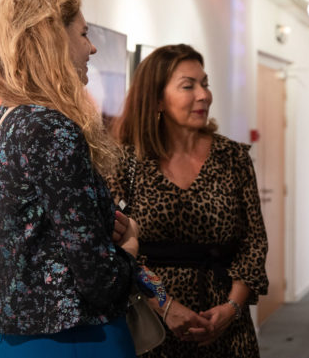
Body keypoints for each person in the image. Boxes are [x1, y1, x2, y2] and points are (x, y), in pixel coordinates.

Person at [0, 0, 150, 357]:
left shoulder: (3, 121)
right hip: (79, 340)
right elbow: (100, 280)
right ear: (51, 40)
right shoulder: (53, 129)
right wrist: (129, 246)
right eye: (83, 34)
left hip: (18, 344)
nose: (92, 47)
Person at [109, 44, 268, 358]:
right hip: (152, 324)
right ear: (156, 99)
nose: (204, 95)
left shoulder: (233, 157)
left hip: (225, 325)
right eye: (188, 86)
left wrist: (232, 308)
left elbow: (254, 240)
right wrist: (166, 307)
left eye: (205, 83)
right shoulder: (126, 161)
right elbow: (113, 247)